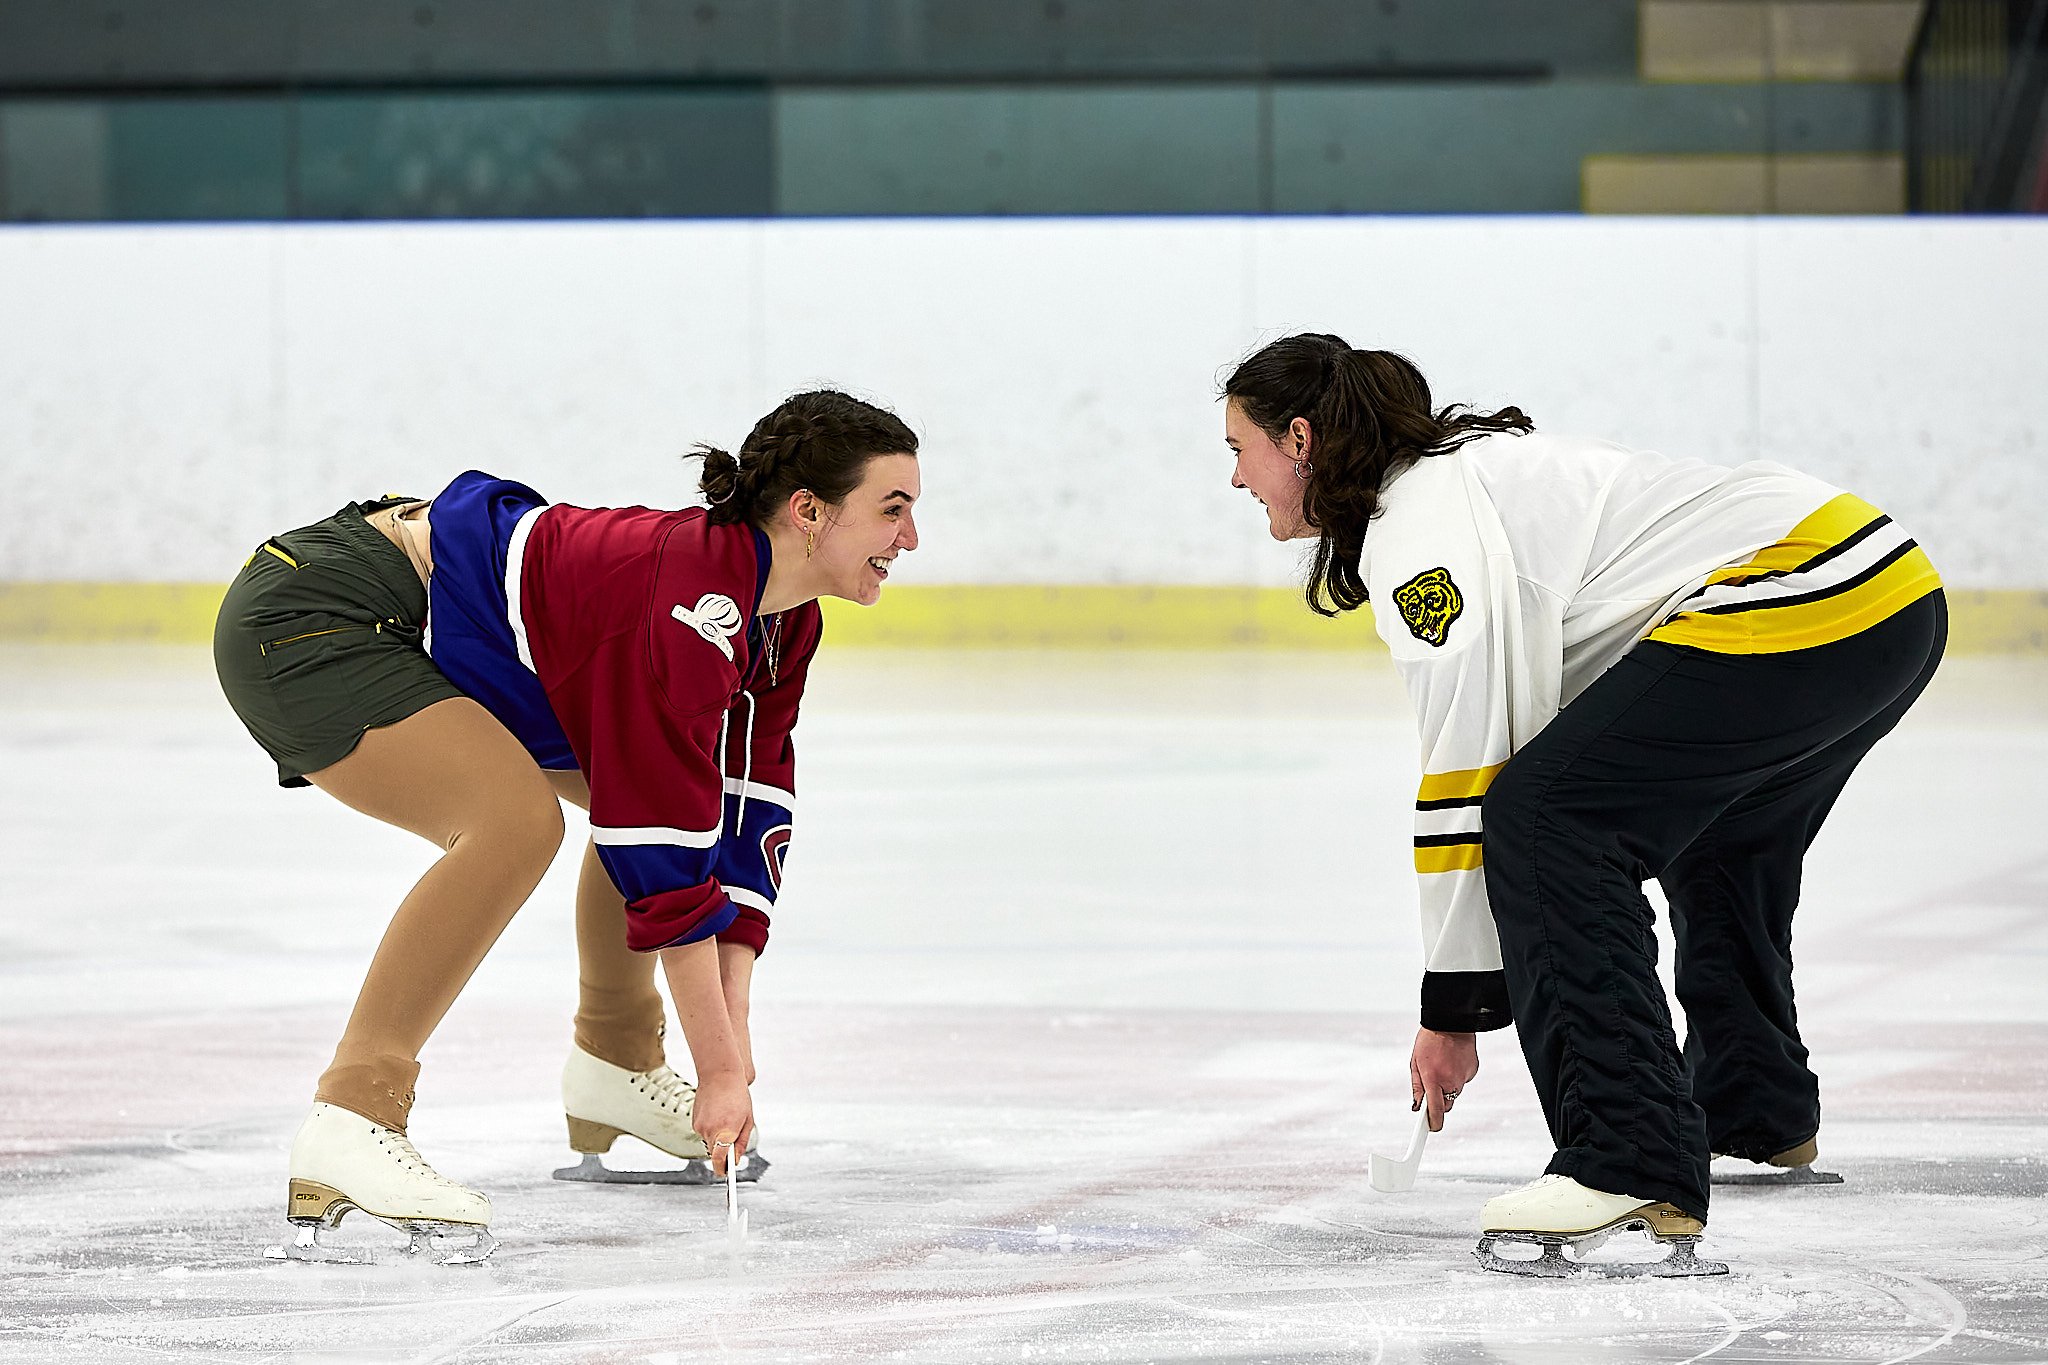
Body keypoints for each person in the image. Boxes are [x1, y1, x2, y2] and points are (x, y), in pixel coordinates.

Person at [1220, 333, 1943, 1276]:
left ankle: (1627, 1155)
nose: (1237, 479)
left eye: (1240, 449)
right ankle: (1751, 1105)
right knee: (1714, 837)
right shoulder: (1460, 480)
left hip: (1803, 593)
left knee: (1547, 817)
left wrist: (1455, 1006)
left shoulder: (1421, 536)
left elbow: (1467, 778)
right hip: (1890, 594)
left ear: (1300, 439)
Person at [214, 389, 922, 1263]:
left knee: (642, 795)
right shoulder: (695, 605)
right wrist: (724, 1072)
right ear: (810, 511)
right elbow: (663, 853)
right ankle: (352, 1114)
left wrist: (728, 1051)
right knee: (515, 822)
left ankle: (617, 1062)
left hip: (427, 624)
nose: (911, 540)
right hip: (324, 613)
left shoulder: (781, 625)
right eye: (893, 510)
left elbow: (738, 819)